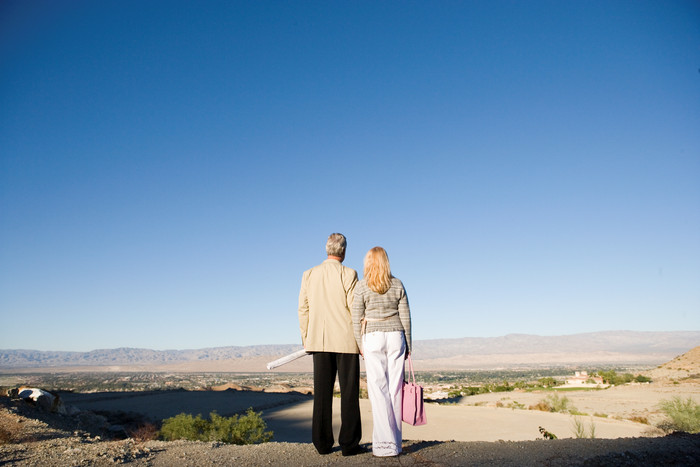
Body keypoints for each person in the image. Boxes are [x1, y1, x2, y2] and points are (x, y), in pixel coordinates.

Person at [298, 233, 363, 456]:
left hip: (319, 340)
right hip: (346, 341)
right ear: (343, 251)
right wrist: (361, 341)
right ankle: (349, 444)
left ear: (326, 249)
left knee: (322, 394)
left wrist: (307, 338)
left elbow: (303, 309)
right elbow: (356, 309)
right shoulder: (349, 273)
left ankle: (322, 444)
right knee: (349, 393)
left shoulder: (309, 274)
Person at [352, 246, 411, 457]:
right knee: (395, 389)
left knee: (378, 390)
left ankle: (383, 445)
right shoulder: (397, 284)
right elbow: (406, 317)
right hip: (396, 335)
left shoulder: (361, 287)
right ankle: (395, 444)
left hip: (373, 337)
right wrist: (409, 346)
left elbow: (355, 318)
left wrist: (360, 344)